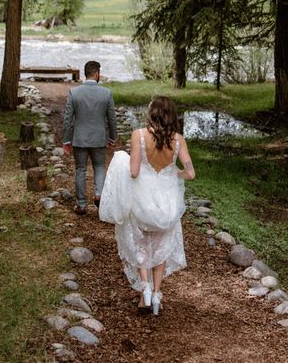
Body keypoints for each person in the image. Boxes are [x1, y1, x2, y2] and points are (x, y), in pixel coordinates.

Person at [99, 96, 195, 315]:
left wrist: (121, 163)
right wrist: (172, 173)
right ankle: (158, 295)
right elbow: (190, 173)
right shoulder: (178, 139)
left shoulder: (138, 135)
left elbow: (133, 172)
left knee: (141, 243)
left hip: (142, 199)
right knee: (160, 246)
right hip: (167, 201)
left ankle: (145, 290)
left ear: (152, 113)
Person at [62, 60, 117, 215]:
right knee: (99, 167)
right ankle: (99, 195)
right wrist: (113, 137)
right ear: (97, 73)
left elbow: (67, 119)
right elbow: (112, 118)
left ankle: (81, 204)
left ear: (85, 73)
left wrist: (66, 140)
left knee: (80, 169)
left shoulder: (74, 92)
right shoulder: (106, 93)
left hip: (79, 138)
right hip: (99, 138)